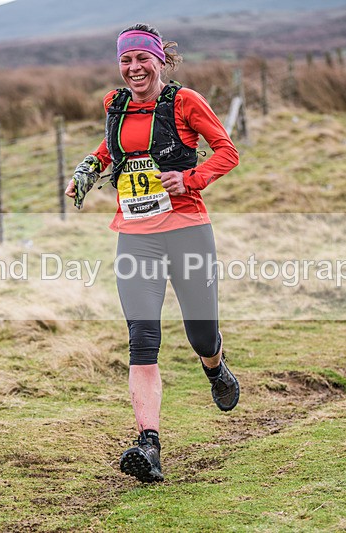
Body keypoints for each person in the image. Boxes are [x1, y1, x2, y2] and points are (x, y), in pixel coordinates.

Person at [65, 23, 240, 483]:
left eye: (143, 59)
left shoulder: (185, 102)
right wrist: (88, 169)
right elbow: (114, 146)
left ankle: (215, 365)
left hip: (187, 231)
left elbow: (227, 152)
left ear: (160, 60)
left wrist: (192, 179)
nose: (134, 68)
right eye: (126, 60)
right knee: (142, 340)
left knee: (201, 333)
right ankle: (149, 445)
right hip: (136, 236)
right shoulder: (115, 104)